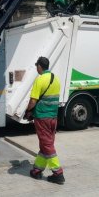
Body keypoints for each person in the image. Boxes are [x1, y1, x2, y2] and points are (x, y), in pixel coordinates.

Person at [24, 56, 65, 185]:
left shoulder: (40, 79)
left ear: (39, 66)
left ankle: (58, 173)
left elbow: (33, 101)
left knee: (47, 145)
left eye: (37, 66)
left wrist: (28, 111)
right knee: (45, 144)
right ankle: (37, 170)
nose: (37, 68)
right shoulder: (56, 79)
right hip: (53, 117)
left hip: (42, 118)